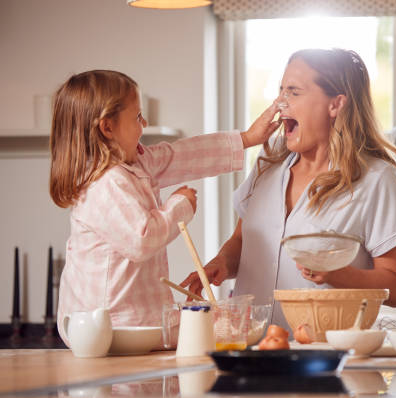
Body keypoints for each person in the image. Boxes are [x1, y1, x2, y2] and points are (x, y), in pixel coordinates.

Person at [182, 48, 396, 329]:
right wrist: (222, 262)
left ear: (335, 104)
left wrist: (335, 274)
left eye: (293, 92)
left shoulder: (376, 178)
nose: (280, 103)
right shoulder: (268, 161)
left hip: (329, 356)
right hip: (255, 350)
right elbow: (242, 240)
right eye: (281, 91)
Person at [49, 69, 280, 346]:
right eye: (137, 116)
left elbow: (181, 155)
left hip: (135, 323)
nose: (144, 123)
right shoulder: (104, 183)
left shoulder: (136, 164)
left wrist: (246, 138)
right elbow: (142, 238)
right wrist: (179, 205)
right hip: (107, 326)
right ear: (107, 127)